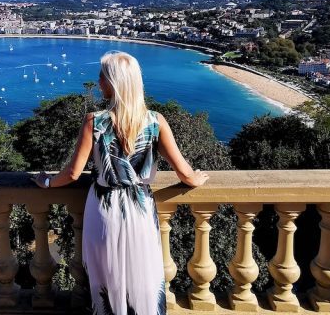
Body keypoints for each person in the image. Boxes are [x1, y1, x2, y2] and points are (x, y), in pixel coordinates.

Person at [33, 51, 208, 315]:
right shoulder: (155, 121)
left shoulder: (95, 121)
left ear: (113, 83)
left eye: (102, 76)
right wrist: (198, 177)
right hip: (140, 209)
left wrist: (45, 181)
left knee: (107, 280)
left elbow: (71, 174)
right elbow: (185, 174)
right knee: (144, 279)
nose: (99, 81)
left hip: (104, 208)